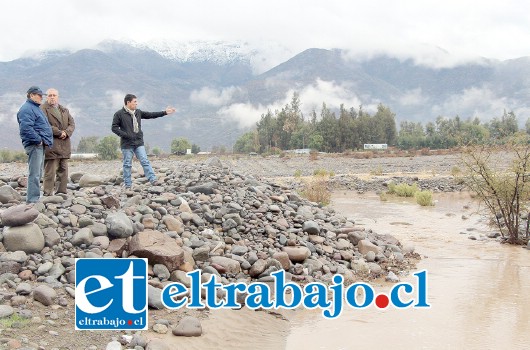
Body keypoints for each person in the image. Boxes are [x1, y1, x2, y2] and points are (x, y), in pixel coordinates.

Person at [111, 94, 176, 188]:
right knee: (127, 164)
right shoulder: (119, 114)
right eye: (135, 102)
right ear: (128, 102)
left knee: (145, 161)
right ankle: (128, 185)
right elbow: (114, 128)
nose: (136, 104)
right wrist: (125, 135)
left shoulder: (138, 112)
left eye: (136, 102)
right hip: (127, 144)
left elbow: (151, 115)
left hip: (138, 142)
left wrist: (165, 112)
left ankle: (153, 180)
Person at [16, 86, 53, 203]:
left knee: (38, 172)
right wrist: (38, 140)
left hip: (39, 145)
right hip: (34, 145)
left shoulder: (35, 108)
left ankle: (35, 197)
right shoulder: (27, 109)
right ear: (31, 95)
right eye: (39, 95)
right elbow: (26, 128)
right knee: (35, 173)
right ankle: (32, 200)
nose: (41, 97)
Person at [40, 88, 76, 195]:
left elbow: (72, 124)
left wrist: (66, 132)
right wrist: (59, 132)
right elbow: (44, 125)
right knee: (50, 172)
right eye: (50, 95)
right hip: (51, 145)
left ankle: (61, 193)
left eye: (54, 95)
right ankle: (47, 193)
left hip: (64, 145)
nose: (52, 97)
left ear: (58, 97)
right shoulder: (43, 109)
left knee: (63, 171)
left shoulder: (64, 110)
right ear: (47, 97)